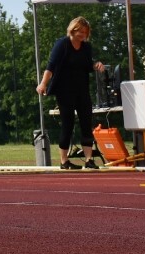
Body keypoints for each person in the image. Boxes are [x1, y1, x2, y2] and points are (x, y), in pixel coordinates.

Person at [36, 16, 105, 170]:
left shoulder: (86, 47)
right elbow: (51, 66)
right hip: (64, 90)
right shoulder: (62, 44)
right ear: (73, 30)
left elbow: (88, 65)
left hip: (82, 89)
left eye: (85, 32)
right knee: (68, 124)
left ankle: (88, 160)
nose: (82, 35)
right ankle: (64, 161)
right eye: (80, 31)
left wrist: (96, 65)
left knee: (86, 123)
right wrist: (43, 84)